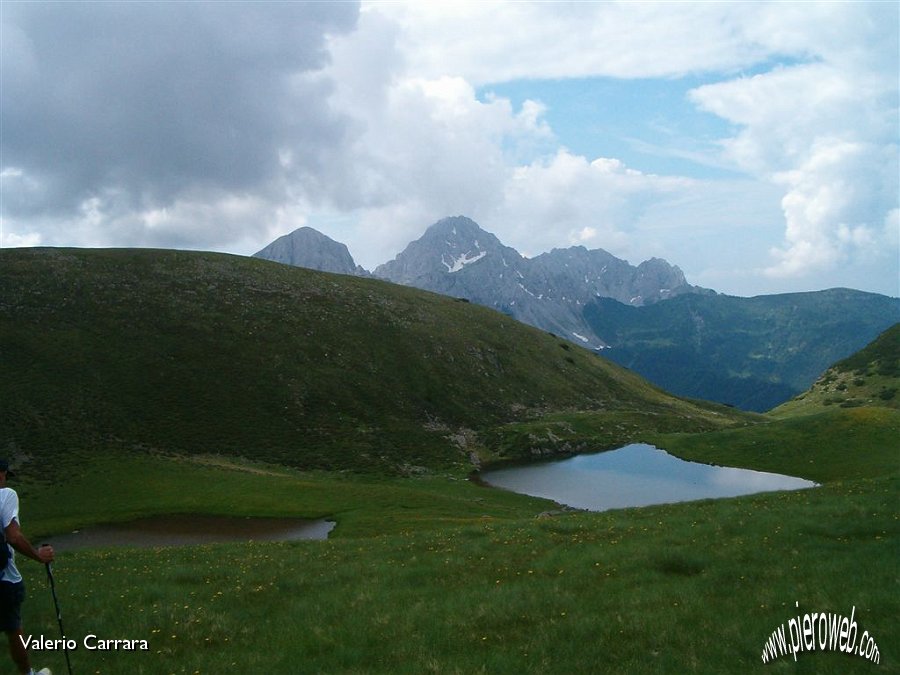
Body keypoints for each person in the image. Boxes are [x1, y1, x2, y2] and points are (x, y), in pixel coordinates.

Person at [0, 459, 54, 675]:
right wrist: (39, 557)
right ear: (1, 474)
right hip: (5, 580)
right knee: (14, 630)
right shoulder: (6, 495)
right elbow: (13, 537)